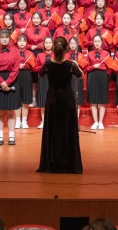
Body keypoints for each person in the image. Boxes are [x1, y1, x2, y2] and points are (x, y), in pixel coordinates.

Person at [37, 35, 84, 174]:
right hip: (67, 100)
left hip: (52, 99)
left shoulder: (48, 64)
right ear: (66, 49)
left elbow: (40, 74)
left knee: (52, 130)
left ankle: (52, 163)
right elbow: (81, 75)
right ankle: (68, 164)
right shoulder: (70, 65)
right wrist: (75, 64)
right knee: (67, 130)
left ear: (53, 48)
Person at [85, 34, 111, 130]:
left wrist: (106, 76)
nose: (97, 43)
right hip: (92, 75)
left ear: (102, 42)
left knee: (102, 100)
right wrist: (93, 66)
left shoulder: (106, 54)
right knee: (93, 100)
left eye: (98, 41)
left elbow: (109, 68)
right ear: (92, 42)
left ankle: (101, 122)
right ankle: (95, 122)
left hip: (102, 76)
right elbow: (86, 67)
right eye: (95, 41)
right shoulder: (89, 54)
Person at [14, 34, 36, 129]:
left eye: (24, 41)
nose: (22, 43)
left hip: (27, 75)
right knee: (17, 98)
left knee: (25, 99)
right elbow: (10, 64)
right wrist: (17, 66)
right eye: (20, 41)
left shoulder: (30, 54)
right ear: (17, 42)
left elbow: (34, 66)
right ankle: (17, 121)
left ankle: (24, 121)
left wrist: (27, 65)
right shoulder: (14, 52)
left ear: (26, 42)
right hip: (16, 75)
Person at [34, 36, 54, 128]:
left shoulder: (56, 55)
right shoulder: (39, 55)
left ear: (52, 44)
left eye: (50, 43)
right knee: (43, 100)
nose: (48, 44)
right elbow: (35, 68)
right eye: (46, 43)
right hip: (43, 78)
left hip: (53, 79)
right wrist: (43, 67)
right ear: (44, 44)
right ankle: (44, 121)